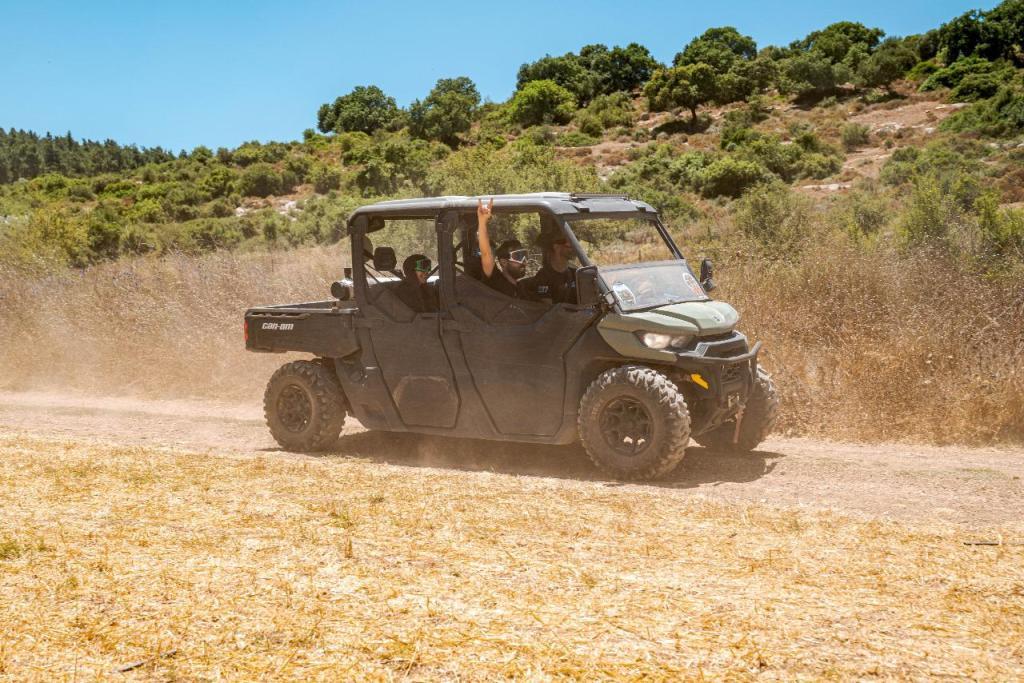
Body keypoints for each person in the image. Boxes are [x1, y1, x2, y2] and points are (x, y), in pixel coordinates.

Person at [476, 197, 528, 298]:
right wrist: (482, 222)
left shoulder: (521, 287)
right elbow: (486, 253)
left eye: (525, 255)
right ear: (503, 262)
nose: (524, 261)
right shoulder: (494, 280)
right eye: (518, 256)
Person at [518, 220, 578, 305]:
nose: (574, 248)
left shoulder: (575, 273)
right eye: (569, 245)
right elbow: (549, 311)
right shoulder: (543, 278)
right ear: (556, 247)